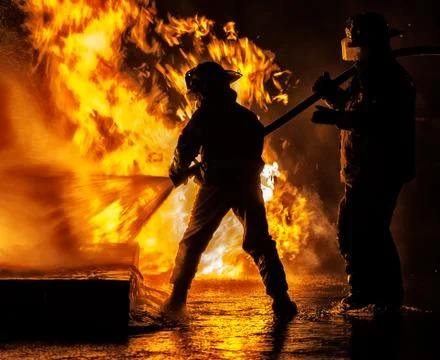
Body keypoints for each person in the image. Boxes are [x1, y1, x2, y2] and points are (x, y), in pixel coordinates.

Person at [162, 61, 297, 318]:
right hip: (247, 183)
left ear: (203, 89)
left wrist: (179, 171)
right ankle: (281, 299)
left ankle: (176, 300)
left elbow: (186, 146)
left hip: (217, 186)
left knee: (193, 241)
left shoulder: (205, 115)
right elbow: (252, 150)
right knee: (259, 241)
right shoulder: (246, 116)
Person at [311, 12, 416, 310]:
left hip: (380, 169)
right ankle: (369, 291)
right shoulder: (366, 75)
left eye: (360, 46)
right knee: (357, 230)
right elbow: (354, 105)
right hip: (361, 169)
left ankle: (381, 295)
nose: (356, 53)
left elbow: (377, 120)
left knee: (370, 232)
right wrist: (331, 95)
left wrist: (336, 118)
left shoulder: (390, 78)